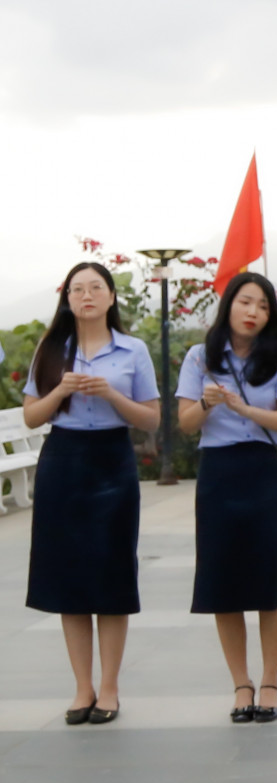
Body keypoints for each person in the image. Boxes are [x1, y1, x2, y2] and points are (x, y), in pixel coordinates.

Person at [22, 262, 162, 725]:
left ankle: (109, 688)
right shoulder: (51, 350)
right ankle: (81, 688)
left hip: (111, 463)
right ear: (67, 299)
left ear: (111, 297)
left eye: (95, 287)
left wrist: (110, 395)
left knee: (111, 574)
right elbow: (31, 417)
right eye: (77, 289)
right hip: (63, 462)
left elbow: (150, 419)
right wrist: (60, 389)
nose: (86, 296)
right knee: (68, 579)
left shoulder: (133, 349)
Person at [177, 273, 277, 724]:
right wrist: (210, 403)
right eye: (245, 302)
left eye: (262, 306)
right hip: (219, 475)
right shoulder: (200, 358)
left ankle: (270, 681)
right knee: (223, 584)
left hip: (266, 472)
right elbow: (186, 424)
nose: (253, 311)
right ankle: (241, 684)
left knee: (271, 584)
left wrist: (244, 408)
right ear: (228, 306)